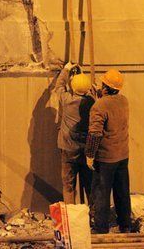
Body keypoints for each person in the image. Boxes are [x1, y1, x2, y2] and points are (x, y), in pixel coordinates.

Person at [85, 69, 131, 233]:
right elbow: (111, 111)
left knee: (101, 194)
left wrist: (90, 155)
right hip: (122, 155)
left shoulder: (99, 105)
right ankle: (125, 226)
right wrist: (101, 97)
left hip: (106, 159)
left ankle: (101, 228)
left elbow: (95, 133)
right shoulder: (123, 101)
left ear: (105, 87)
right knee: (122, 192)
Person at [55, 62, 95, 204]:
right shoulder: (91, 102)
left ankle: (71, 216)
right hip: (85, 150)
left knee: (68, 185)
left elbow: (59, 86)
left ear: (73, 86)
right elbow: (91, 92)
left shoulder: (67, 100)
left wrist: (66, 70)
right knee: (89, 185)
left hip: (68, 148)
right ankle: (92, 216)